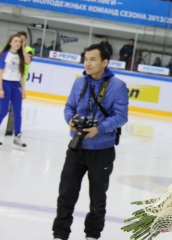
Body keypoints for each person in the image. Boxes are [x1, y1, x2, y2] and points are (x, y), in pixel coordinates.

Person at [52, 43, 128, 240]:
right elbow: (69, 107)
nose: (88, 63)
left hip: (101, 149)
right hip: (76, 147)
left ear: (105, 62)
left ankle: (92, 235)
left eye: (93, 59)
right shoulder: (79, 82)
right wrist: (69, 120)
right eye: (86, 59)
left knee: (97, 197)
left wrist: (98, 129)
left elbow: (121, 116)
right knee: (66, 193)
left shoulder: (117, 86)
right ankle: (60, 234)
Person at [0, 31, 34, 136]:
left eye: (20, 41)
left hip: (16, 86)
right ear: (10, 43)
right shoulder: (5, 55)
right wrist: (0, 88)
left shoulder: (22, 55)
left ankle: (17, 133)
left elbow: (21, 73)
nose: (18, 43)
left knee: (17, 112)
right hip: (5, 84)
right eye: (16, 41)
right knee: (2, 110)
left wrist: (23, 90)